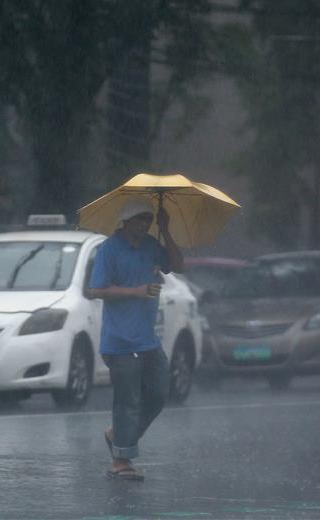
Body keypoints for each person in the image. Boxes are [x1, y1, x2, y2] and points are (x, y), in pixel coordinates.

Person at [87, 196, 184, 481]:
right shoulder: (109, 249)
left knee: (158, 393)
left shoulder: (152, 246)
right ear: (126, 220)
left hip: (147, 339)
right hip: (119, 340)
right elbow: (97, 290)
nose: (145, 224)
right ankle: (120, 461)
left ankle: (118, 437)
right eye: (141, 219)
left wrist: (165, 230)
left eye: (149, 219)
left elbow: (178, 266)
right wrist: (136, 291)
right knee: (127, 400)